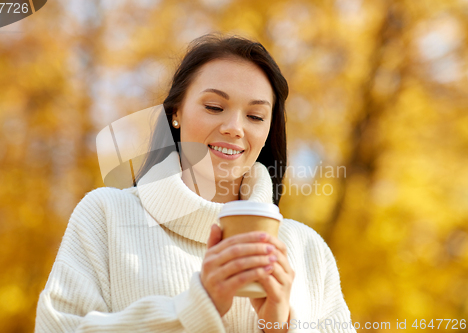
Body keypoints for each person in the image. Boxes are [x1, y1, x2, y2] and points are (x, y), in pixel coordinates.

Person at [35, 33, 356, 333]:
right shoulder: (106, 216)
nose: (234, 128)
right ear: (176, 111)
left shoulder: (307, 249)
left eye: (255, 116)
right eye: (215, 107)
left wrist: (281, 326)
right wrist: (194, 309)